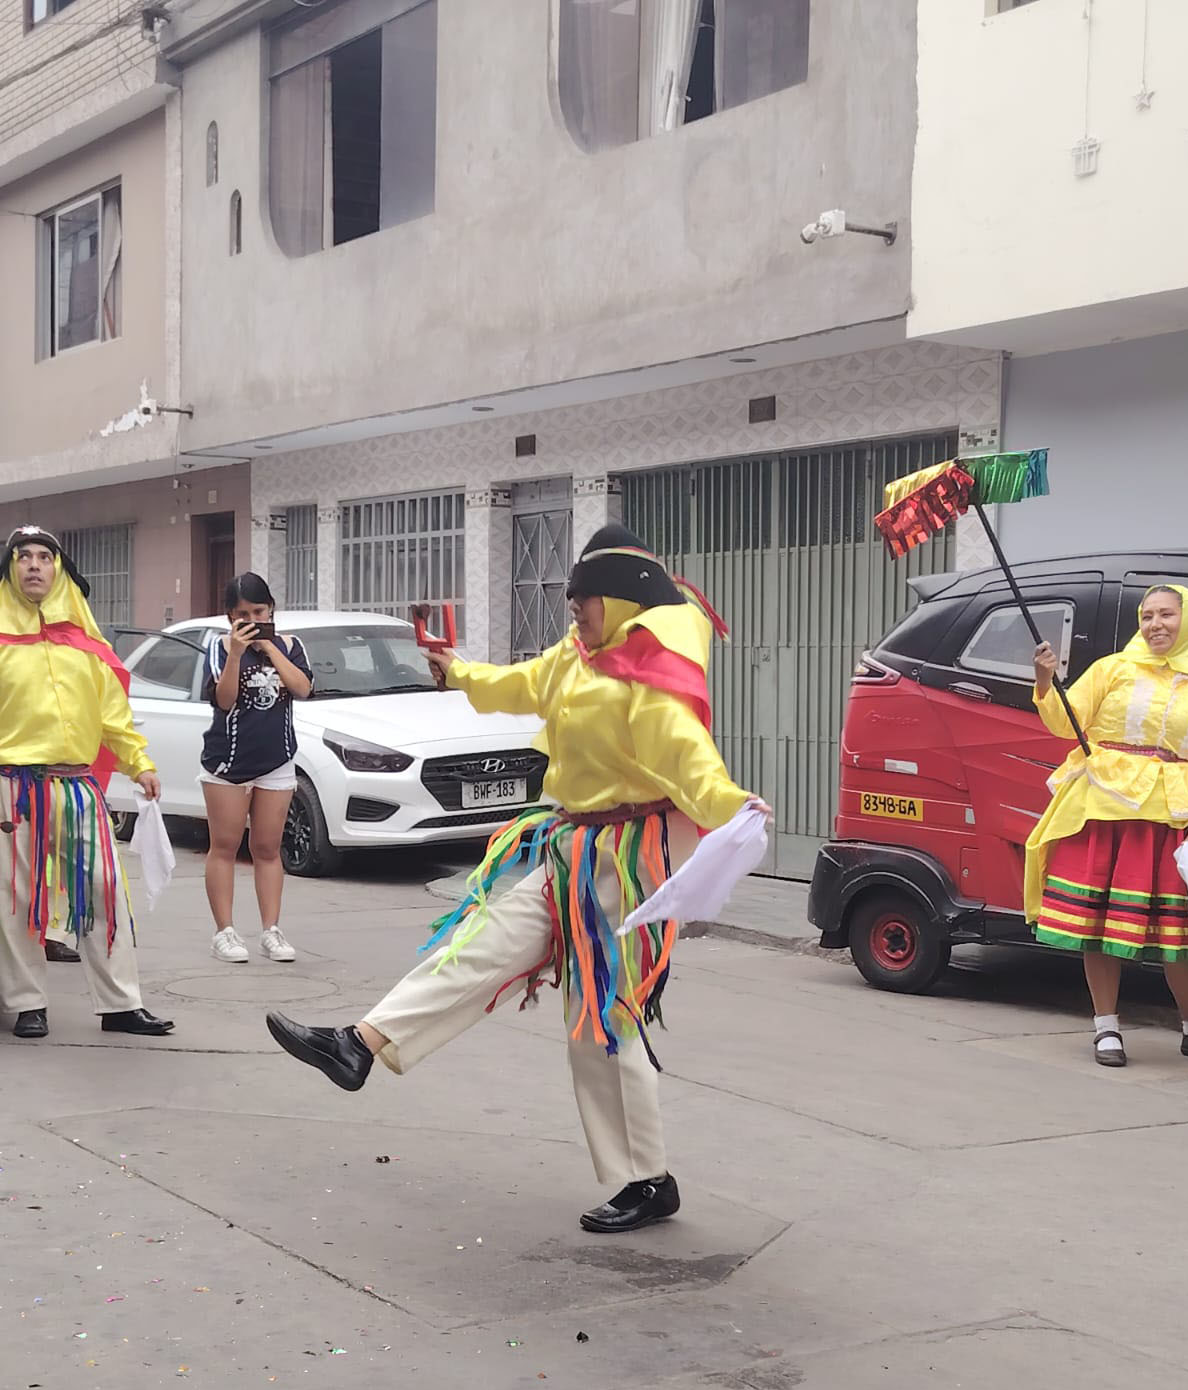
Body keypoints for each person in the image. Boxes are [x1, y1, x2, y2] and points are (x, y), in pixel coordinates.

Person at [266, 524, 770, 1233]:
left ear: (621, 602)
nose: (574, 609)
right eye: (572, 598)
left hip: (629, 865)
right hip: (571, 848)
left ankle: (649, 1180)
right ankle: (360, 1044)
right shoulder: (577, 656)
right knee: (480, 944)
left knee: (602, 1023)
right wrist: (458, 672)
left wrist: (732, 806)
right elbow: (522, 684)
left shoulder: (647, 679)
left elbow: (691, 761)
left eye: (584, 598)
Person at [0, 526, 173, 1040]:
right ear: (10, 568)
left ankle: (121, 1004)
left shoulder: (87, 645)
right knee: (17, 899)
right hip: (12, 787)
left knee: (104, 888)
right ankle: (27, 1003)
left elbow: (114, 718)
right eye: (23, 556)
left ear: (59, 569)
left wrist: (140, 764)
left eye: (44, 557)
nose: (34, 564)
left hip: (77, 789)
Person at [1026, 583, 1188, 1067]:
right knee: (1099, 923)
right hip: (1105, 808)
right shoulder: (1113, 668)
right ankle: (1106, 1027)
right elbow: (1067, 723)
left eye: (1166, 614)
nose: (1155, 624)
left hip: (1175, 816)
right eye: (1147, 615)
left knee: (1181, 932)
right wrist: (1045, 680)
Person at [200, 573, 313, 964]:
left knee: (267, 848)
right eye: (242, 615)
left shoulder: (291, 646)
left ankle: (271, 930)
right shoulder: (219, 648)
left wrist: (269, 647)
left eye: (259, 612)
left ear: (272, 610)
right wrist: (236, 653)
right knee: (225, 846)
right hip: (228, 762)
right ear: (229, 617)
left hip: (276, 758)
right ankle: (224, 932)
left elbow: (302, 688)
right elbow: (225, 700)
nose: (251, 620)